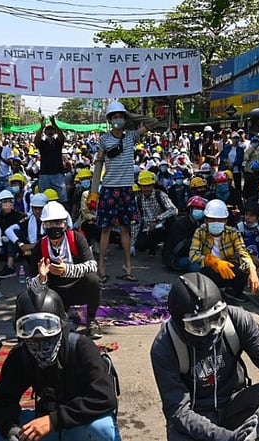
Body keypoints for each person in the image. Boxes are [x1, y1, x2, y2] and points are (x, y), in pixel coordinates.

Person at [151, 272, 259, 441]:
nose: (212, 330)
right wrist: (228, 437)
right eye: (198, 326)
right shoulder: (165, 346)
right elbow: (177, 410)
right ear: (180, 323)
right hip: (195, 414)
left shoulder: (237, 320)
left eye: (217, 319)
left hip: (234, 403)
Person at [0, 288, 120, 441]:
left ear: (61, 325)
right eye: (30, 331)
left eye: (47, 327)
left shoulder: (82, 347)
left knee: (102, 428)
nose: (39, 339)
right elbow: (2, 400)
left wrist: (54, 420)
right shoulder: (20, 355)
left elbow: (105, 397)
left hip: (79, 423)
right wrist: (11, 429)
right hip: (46, 425)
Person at [27, 201, 103, 339]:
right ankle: (58, 317)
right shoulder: (40, 246)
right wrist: (41, 278)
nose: (53, 227)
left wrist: (66, 270)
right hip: (55, 294)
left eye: (57, 223)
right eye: (49, 224)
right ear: (43, 225)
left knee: (94, 280)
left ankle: (91, 320)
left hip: (77, 288)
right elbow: (30, 284)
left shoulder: (76, 238)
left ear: (65, 224)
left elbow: (92, 265)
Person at [96, 101, 148, 282]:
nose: (118, 119)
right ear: (110, 120)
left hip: (126, 188)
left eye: (120, 116)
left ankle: (128, 268)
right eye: (115, 116)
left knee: (126, 229)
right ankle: (101, 267)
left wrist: (130, 115)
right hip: (109, 188)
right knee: (106, 229)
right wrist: (94, 191)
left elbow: (152, 122)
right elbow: (98, 165)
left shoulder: (131, 136)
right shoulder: (103, 139)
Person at [189, 200, 259, 303]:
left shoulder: (233, 233)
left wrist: (252, 270)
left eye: (220, 220)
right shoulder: (200, 232)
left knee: (246, 266)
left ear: (226, 221)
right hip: (208, 270)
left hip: (228, 269)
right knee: (193, 266)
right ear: (206, 221)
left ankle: (234, 291)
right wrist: (213, 262)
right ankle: (204, 291)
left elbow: (243, 252)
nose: (216, 223)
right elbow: (193, 255)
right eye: (212, 220)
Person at [134, 170, 178, 257]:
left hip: (162, 225)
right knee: (140, 245)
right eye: (144, 186)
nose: (146, 189)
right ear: (140, 187)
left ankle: (168, 246)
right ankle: (152, 246)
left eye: (149, 186)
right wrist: (132, 242)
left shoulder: (160, 195)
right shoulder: (138, 200)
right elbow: (137, 221)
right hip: (148, 229)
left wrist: (157, 219)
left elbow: (174, 210)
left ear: (153, 185)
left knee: (172, 221)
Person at [165, 196, 206, 272]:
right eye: (197, 208)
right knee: (197, 265)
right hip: (177, 257)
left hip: (194, 254)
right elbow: (179, 247)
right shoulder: (179, 224)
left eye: (201, 209)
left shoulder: (199, 224)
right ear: (190, 209)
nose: (199, 211)